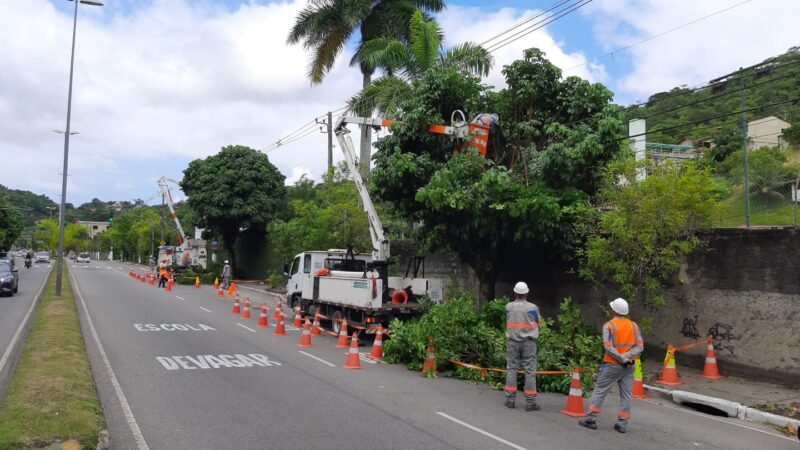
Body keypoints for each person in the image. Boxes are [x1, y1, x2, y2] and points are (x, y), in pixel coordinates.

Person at [579, 297, 644, 433]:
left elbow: (608, 348)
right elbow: (639, 347)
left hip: (612, 365)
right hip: (629, 366)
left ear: (613, 310)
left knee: (600, 390)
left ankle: (591, 419)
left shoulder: (609, 326)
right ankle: (622, 423)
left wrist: (621, 358)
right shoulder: (634, 326)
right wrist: (626, 358)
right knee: (626, 394)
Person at [504, 281, 541, 411]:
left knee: (512, 370)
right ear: (526, 293)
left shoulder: (508, 307)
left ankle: (510, 400)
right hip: (529, 343)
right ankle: (530, 403)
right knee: (530, 372)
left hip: (513, 342)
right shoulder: (533, 308)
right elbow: (538, 323)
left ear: (515, 292)